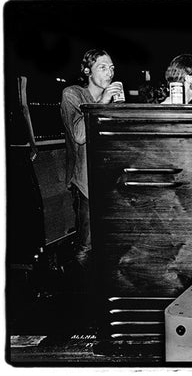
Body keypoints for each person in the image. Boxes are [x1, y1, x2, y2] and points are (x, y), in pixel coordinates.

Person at [60, 48, 123, 270]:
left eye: (112, 68)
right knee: (86, 244)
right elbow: (79, 135)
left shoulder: (114, 100)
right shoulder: (73, 94)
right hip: (85, 183)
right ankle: (82, 292)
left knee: (113, 243)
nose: (110, 73)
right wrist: (103, 104)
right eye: (103, 67)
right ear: (87, 70)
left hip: (111, 182)